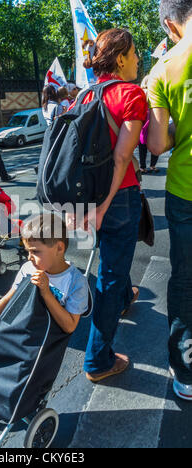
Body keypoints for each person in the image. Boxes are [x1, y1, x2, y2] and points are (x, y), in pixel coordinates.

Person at [73, 28, 147, 382]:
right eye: (133, 54)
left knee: (112, 262)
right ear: (120, 58)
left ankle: (125, 293)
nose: (137, 60)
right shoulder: (130, 93)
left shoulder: (84, 95)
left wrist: (92, 205)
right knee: (108, 277)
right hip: (117, 198)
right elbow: (122, 158)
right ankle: (97, 360)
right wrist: (104, 205)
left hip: (87, 197)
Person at [147, 0, 192, 400]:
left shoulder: (162, 68)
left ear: (168, 23)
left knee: (185, 279)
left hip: (185, 188)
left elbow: (157, 143)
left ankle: (186, 370)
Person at [0, 213, 89, 338]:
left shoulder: (76, 282)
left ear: (59, 248)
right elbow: (9, 299)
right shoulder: (28, 269)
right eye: (28, 251)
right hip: (24, 331)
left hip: (47, 341)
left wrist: (47, 293)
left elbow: (70, 326)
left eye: (35, 251)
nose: (29, 257)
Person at [138, 75, 160, 173]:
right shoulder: (155, 92)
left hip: (142, 122)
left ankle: (142, 167)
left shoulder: (139, 92)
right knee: (155, 143)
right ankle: (152, 165)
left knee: (142, 147)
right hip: (153, 121)